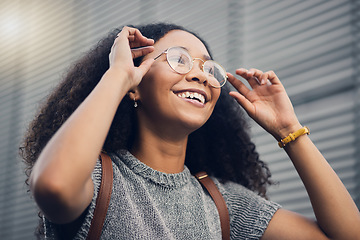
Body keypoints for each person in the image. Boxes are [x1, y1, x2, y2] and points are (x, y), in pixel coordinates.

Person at [20, 23, 359, 239]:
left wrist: (290, 130)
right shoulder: (97, 178)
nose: (201, 75)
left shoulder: (223, 204)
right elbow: (54, 185)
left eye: (209, 68)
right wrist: (118, 76)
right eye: (179, 59)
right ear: (136, 83)